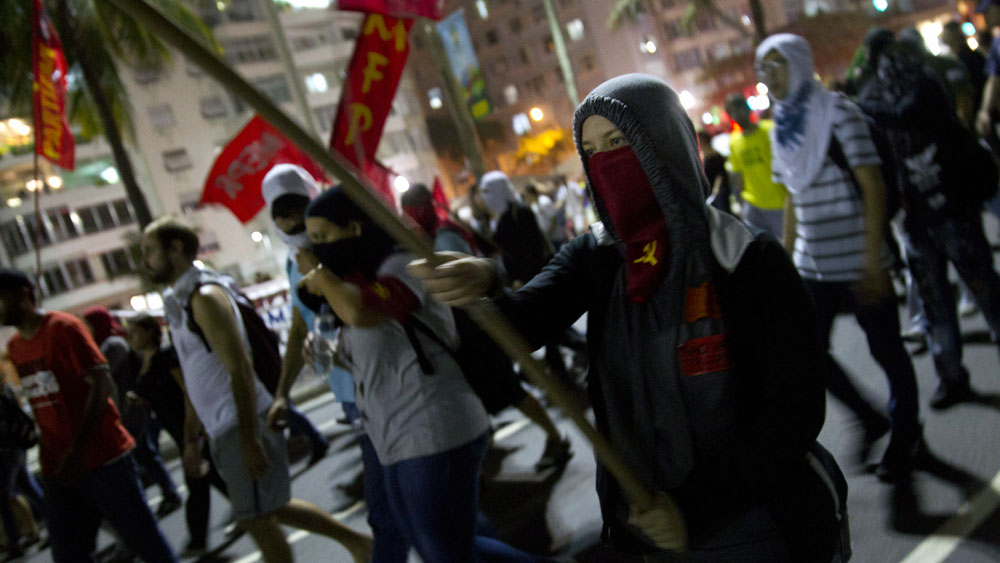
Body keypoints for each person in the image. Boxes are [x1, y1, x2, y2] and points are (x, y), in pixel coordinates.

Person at [411, 73, 848, 562]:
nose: (607, 162)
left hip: (754, 526)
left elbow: (793, 412)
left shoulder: (746, 259)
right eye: (593, 151)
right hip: (644, 532)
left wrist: (694, 509)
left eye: (619, 141)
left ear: (662, 141)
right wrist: (482, 285)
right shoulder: (596, 256)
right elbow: (518, 327)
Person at [298, 186, 554, 562]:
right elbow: (373, 357)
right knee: (440, 545)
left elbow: (359, 312)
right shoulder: (357, 281)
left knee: (444, 550)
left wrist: (321, 277)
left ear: (354, 229)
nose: (314, 248)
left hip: (433, 426)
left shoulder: (403, 266)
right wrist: (331, 356)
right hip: (392, 433)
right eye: (312, 240)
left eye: (322, 237)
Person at [140, 219, 372, 563]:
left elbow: (240, 368)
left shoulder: (204, 298)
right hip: (222, 425)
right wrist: (191, 438)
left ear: (175, 249)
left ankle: (357, 542)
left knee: (256, 517)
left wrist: (249, 438)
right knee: (271, 509)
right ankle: (358, 543)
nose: (145, 260)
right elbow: (194, 374)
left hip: (238, 422)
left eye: (149, 250)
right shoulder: (181, 302)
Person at [756, 34, 923, 481]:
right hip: (813, 265)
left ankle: (906, 431)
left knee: (887, 350)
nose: (769, 78)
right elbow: (792, 196)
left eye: (777, 66)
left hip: (858, 258)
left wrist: (873, 259)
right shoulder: (781, 127)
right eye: (763, 69)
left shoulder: (839, 113)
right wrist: (786, 262)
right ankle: (870, 418)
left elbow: (873, 185)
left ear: (798, 62)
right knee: (807, 354)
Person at [0, 268, 179, 563]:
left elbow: (101, 383)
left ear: (24, 294)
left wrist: (78, 447)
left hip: (103, 459)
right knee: (69, 555)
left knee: (147, 544)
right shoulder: (15, 347)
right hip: (58, 469)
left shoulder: (64, 328)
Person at [859, 41, 1000, 409]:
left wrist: (864, 105)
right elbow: (883, 161)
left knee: (985, 290)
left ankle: (952, 377)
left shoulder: (924, 84)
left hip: (951, 207)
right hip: (918, 219)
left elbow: (906, 113)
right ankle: (951, 377)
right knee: (938, 303)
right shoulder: (885, 94)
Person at [401, 182, 573, 470]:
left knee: (511, 388)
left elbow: (465, 277)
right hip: (467, 329)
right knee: (489, 390)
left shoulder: (445, 239)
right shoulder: (439, 233)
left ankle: (556, 438)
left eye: (410, 214)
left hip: (478, 326)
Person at [126, 314, 229, 557]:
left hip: (188, 427)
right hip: (174, 427)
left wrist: (192, 434)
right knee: (211, 476)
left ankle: (197, 540)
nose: (131, 338)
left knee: (197, 480)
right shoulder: (145, 359)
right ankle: (253, 511)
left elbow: (187, 391)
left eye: (135, 332)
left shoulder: (166, 357)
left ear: (151, 331)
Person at [479, 171, 588, 392]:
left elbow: (532, 248)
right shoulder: (499, 219)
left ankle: (569, 376)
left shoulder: (521, 213)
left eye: (489, 191)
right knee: (552, 334)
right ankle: (565, 377)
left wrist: (521, 277)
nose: (485, 198)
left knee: (553, 333)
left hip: (534, 280)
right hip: (523, 282)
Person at [258, 165, 337, 463]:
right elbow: (299, 327)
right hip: (346, 385)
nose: (293, 222)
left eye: (298, 209)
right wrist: (282, 393)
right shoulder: (294, 264)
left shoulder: (340, 245)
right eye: (283, 216)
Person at [82, 306, 182, 517]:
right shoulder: (109, 344)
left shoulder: (114, 345)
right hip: (129, 409)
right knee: (144, 453)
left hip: (131, 411)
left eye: (89, 324)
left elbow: (101, 374)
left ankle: (169, 494)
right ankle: (166, 494)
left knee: (144, 452)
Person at [723, 94, 788, 236]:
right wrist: (740, 202)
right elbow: (738, 174)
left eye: (739, 109)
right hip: (752, 205)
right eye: (732, 112)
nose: (736, 115)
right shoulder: (734, 142)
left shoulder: (769, 130)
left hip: (779, 201)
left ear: (747, 109)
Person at [0, 382, 44, 560]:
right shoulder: (4, 386)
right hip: (15, 446)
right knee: (27, 486)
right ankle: (54, 524)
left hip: (6, 451)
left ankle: (14, 541)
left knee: (4, 497)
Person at [697, 130, 733, 215]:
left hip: (718, 194)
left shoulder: (715, 158)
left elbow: (720, 177)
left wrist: (715, 192)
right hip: (714, 194)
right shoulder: (707, 159)